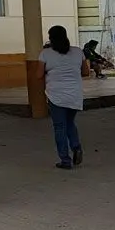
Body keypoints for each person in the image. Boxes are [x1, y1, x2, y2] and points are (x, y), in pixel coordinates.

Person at [37, 26, 90, 169]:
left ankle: (65, 160)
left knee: (60, 127)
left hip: (56, 96)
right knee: (70, 123)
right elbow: (86, 72)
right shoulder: (78, 51)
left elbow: (38, 75)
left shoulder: (45, 53)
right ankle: (76, 147)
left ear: (51, 38)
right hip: (74, 94)